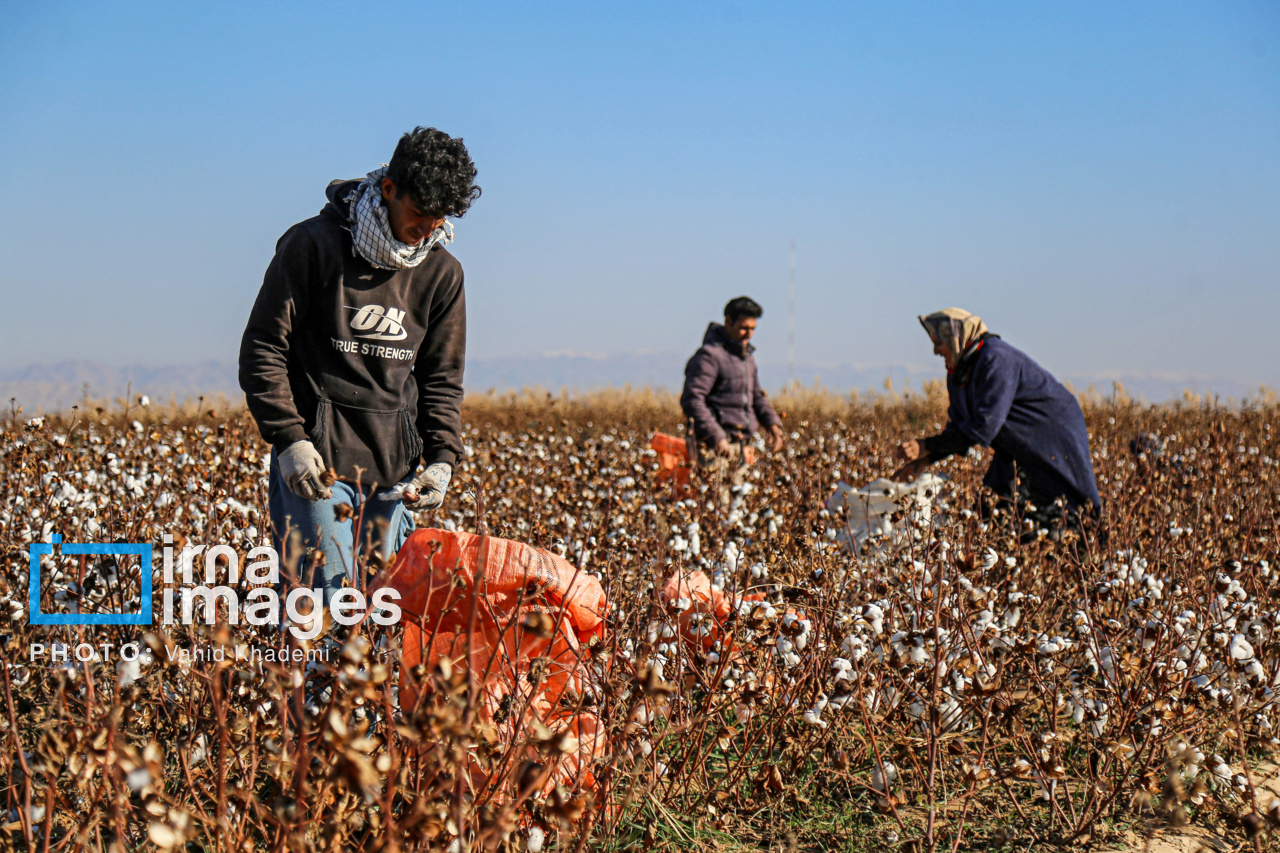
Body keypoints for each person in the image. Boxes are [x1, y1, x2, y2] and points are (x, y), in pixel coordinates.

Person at [239, 127, 480, 598]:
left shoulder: (442, 274)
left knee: (385, 612)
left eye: (440, 218)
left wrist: (442, 460)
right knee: (326, 604)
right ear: (389, 190)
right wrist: (290, 440)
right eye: (418, 212)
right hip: (318, 464)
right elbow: (264, 347)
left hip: (396, 473)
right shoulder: (312, 245)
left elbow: (442, 380)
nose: (428, 228)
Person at [892, 308, 1102, 539]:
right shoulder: (959, 373)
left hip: (1051, 433)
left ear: (956, 336)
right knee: (991, 509)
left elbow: (983, 427)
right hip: (1014, 445)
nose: (935, 351)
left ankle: (1088, 555)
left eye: (939, 342)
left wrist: (927, 445)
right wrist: (925, 459)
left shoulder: (995, 358)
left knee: (1069, 503)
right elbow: (961, 425)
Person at [681, 296, 785, 501]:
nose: (749, 334)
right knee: (717, 511)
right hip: (714, 449)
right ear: (728, 321)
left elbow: (756, 396)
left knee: (740, 512)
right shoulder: (709, 356)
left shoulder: (747, 358)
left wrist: (772, 424)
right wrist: (716, 436)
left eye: (753, 328)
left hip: (741, 446)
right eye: (744, 327)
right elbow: (692, 399)